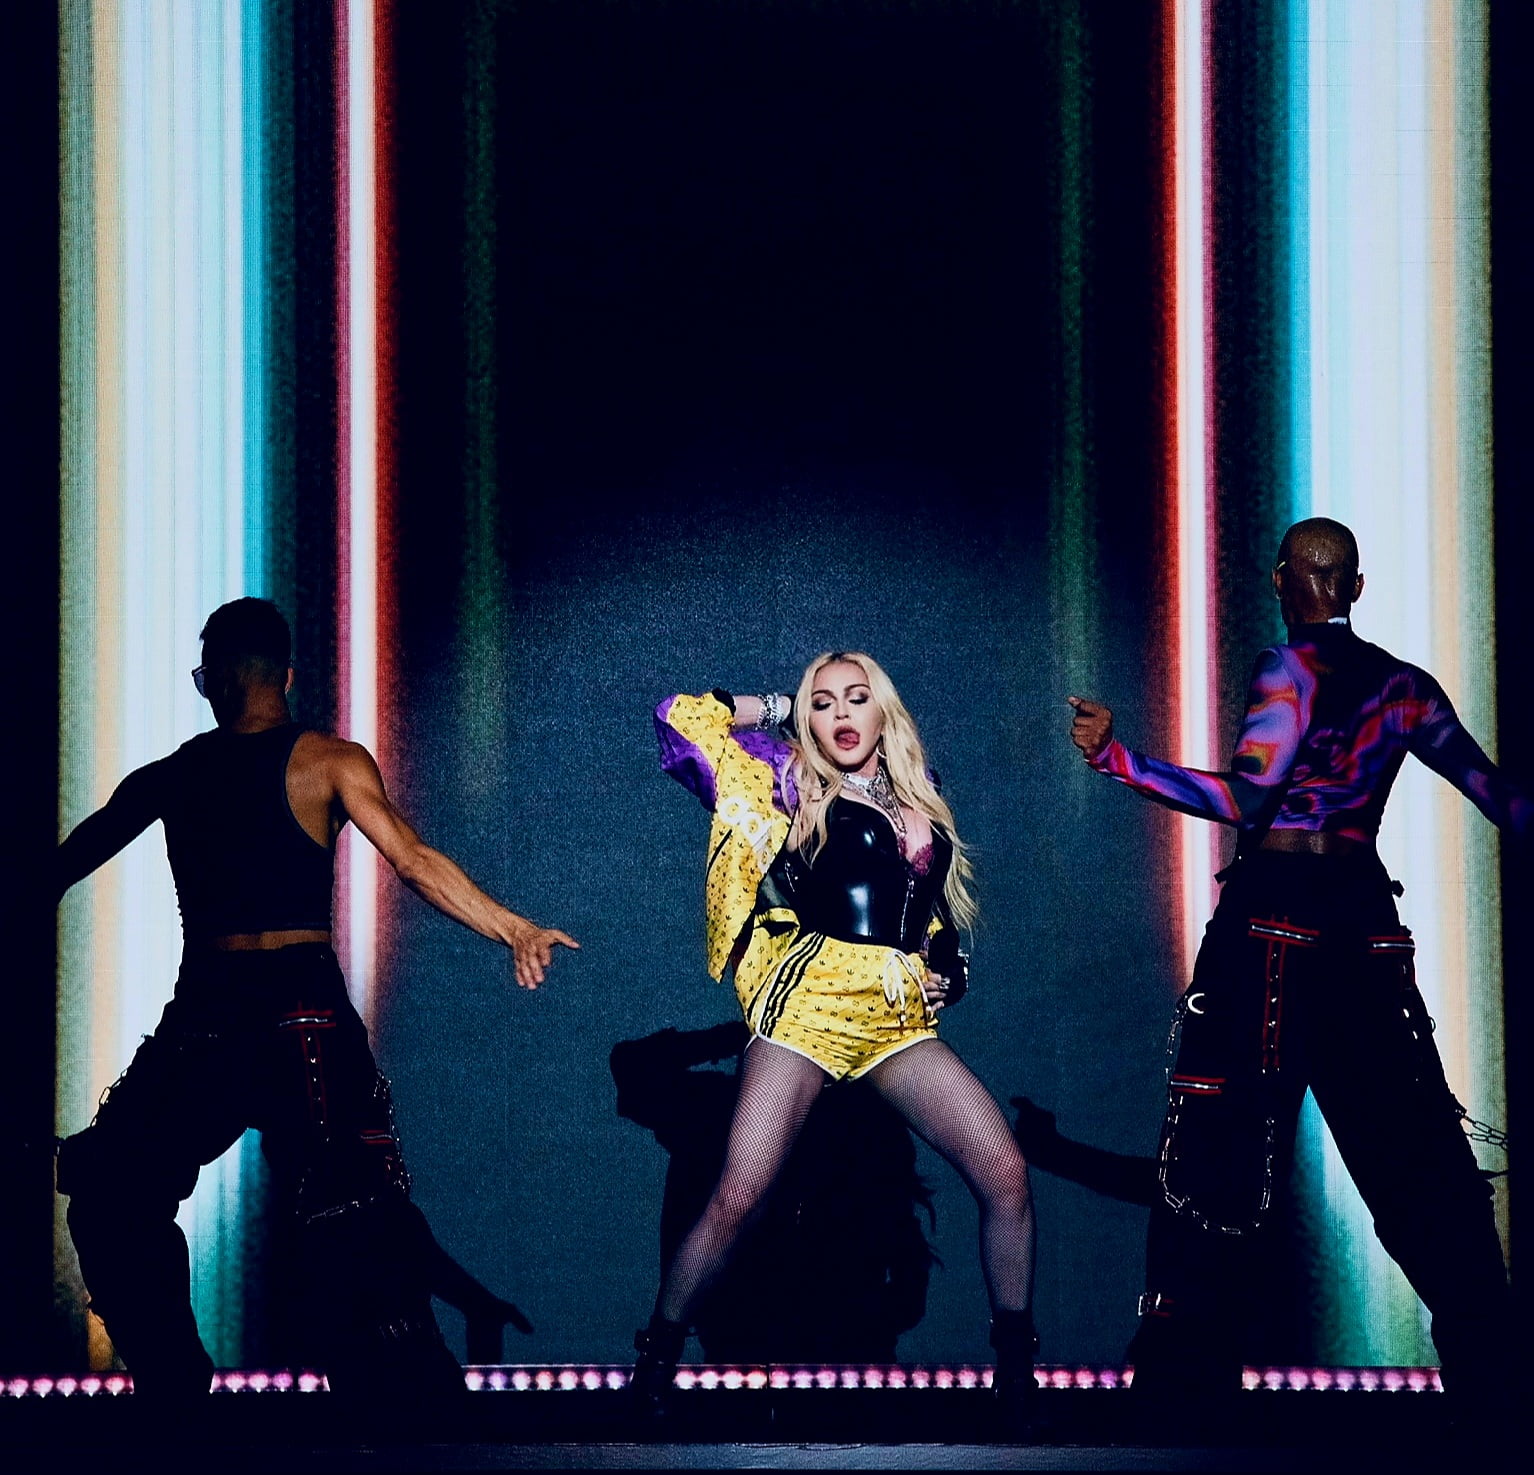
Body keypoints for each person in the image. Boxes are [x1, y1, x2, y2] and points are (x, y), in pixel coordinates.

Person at [53, 597, 577, 1403]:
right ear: (286, 675)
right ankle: (202, 1389)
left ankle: (234, 1386)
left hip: (232, 1017)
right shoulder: (312, 762)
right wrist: (514, 930)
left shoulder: (192, 772)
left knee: (316, 1206)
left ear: (218, 676)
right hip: (275, 1015)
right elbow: (412, 859)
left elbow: (59, 867)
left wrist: (513, 928)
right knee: (150, 1187)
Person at [1067, 518, 1524, 1412]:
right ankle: (1497, 1386)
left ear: (1283, 580)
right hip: (1360, 928)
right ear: (1353, 587)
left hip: (1273, 925)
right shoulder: (1405, 688)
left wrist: (1121, 759)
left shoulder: (1288, 668)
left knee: (1216, 1152)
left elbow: (1249, 797)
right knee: (1412, 1154)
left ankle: (1180, 1398)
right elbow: (1497, 794)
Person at [633, 653, 1037, 1420]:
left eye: (856, 698)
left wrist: (951, 971)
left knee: (1006, 1173)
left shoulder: (922, 793)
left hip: (896, 1017)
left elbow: (929, 919)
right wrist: (781, 707)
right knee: (739, 1194)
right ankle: (656, 1359)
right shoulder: (793, 782)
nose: (842, 714)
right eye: (824, 703)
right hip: (809, 1006)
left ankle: (1016, 1374)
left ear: (885, 710)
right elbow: (680, 716)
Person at [612, 1020, 937, 1363]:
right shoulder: (716, 1109)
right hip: (744, 1344)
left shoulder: (866, 1124)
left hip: (844, 1347)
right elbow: (634, 1067)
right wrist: (754, 1032)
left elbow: (903, 1240)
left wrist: (874, 1319)